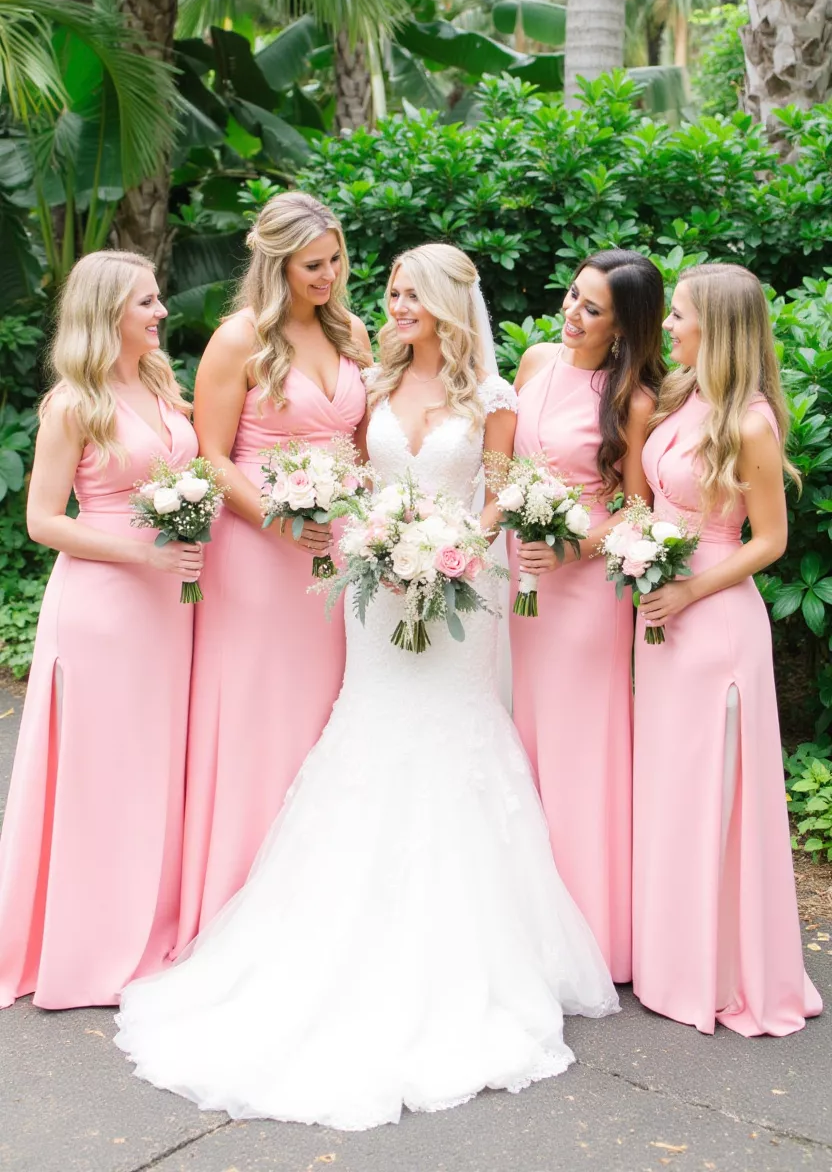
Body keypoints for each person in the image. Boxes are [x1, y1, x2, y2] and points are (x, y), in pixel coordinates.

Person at [115, 243, 618, 1130]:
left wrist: (453, 540)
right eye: (388, 290)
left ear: (450, 305)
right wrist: (379, 537)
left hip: (463, 589)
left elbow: (500, 494)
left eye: (410, 294)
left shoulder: (491, 400)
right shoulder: (373, 387)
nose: (393, 305)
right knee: (370, 733)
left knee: (456, 737)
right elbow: (353, 476)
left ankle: (465, 952)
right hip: (374, 594)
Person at [0, 251, 201, 1009]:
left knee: (154, 767)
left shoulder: (157, 384)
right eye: (146, 303)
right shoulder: (73, 403)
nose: (160, 312)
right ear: (107, 311)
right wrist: (140, 552)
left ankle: (147, 921)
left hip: (167, 608)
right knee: (101, 773)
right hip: (104, 608)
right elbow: (43, 519)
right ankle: (86, 945)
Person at [175, 192, 371, 948]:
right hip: (260, 551)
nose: (330, 275)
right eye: (313, 265)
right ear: (277, 262)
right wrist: (279, 522)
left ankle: (317, 893)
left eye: (336, 260)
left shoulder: (350, 332)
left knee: (330, 710)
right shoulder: (238, 342)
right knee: (262, 714)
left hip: (340, 548)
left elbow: (361, 437)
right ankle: (237, 900)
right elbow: (213, 456)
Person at [632, 263, 822, 1035]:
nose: (669, 327)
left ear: (715, 326)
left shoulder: (749, 422)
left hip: (713, 620)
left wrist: (687, 589)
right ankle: (671, 957)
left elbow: (769, 541)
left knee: (714, 789)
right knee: (672, 790)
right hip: (663, 616)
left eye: (678, 315)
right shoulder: (686, 400)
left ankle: (721, 970)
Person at [509, 249, 665, 982]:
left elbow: (639, 506)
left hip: (584, 588)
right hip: (518, 578)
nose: (572, 314)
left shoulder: (631, 399)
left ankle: (593, 933)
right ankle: (523, 916)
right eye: (573, 296)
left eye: (592, 308)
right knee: (521, 739)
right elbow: (504, 469)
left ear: (623, 324)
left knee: (580, 750)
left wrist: (571, 547)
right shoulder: (536, 362)